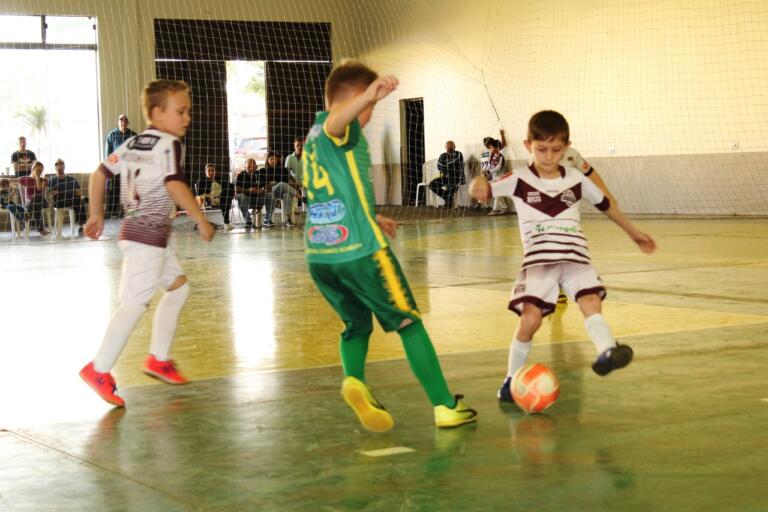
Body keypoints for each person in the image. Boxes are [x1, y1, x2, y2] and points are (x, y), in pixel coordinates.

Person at [303, 61, 477, 431]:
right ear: (355, 99)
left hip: (321, 255)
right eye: (369, 107)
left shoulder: (312, 137)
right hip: (361, 253)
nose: (369, 114)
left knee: (356, 325)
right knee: (408, 321)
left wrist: (371, 214)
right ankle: (445, 405)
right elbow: (339, 119)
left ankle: (355, 381)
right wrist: (368, 95)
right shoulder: (338, 126)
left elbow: (335, 191)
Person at [468, 110, 656, 403]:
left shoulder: (576, 179)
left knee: (590, 301)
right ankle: (510, 380)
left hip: (575, 256)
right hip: (540, 260)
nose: (548, 156)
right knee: (531, 320)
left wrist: (633, 232)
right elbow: (482, 190)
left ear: (567, 147)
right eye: (542, 149)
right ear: (528, 145)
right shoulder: (519, 179)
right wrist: (478, 183)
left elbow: (607, 205)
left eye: (556, 150)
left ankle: (607, 351)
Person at [79, 80, 214, 407]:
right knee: (134, 304)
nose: (187, 118)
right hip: (147, 238)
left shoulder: (133, 143)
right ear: (157, 113)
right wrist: (201, 219)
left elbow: (98, 175)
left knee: (178, 288)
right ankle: (98, 369)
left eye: (188, 111)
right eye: (181, 111)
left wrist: (96, 213)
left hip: (147, 236)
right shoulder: (169, 144)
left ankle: (158, 358)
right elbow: (174, 185)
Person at [104, 114, 138, 218]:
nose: (123, 122)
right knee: (113, 188)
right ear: (118, 122)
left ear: (128, 122)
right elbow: (108, 153)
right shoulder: (112, 135)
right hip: (115, 166)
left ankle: (126, 211)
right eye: (121, 120)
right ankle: (112, 212)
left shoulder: (133, 135)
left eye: (125, 120)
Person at [47, 158, 87, 236]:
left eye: (61, 164)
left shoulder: (72, 179)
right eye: (57, 165)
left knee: (79, 201)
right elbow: (53, 194)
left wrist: (62, 192)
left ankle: (81, 227)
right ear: (55, 168)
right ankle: (83, 198)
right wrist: (68, 192)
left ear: (64, 166)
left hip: (71, 199)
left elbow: (78, 192)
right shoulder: (51, 180)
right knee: (78, 199)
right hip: (59, 201)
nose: (59, 166)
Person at [235, 157, 273, 230]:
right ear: (245, 167)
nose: (251, 169)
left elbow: (269, 188)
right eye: (249, 167)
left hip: (259, 198)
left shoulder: (260, 174)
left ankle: (267, 219)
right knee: (240, 196)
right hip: (247, 200)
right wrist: (248, 190)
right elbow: (237, 190)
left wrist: (262, 190)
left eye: (253, 167)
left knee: (270, 195)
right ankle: (248, 220)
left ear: (256, 167)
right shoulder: (241, 175)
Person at [480, 133, 513, 215]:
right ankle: (505, 207)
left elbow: (498, 167)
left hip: (501, 177)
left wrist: (488, 171)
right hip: (494, 177)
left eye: (490, 147)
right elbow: (490, 166)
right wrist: (485, 171)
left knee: (496, 192)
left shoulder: (500, 156)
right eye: (489, 148)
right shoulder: (492, 156)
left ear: (495, 147)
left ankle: (495, 209)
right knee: (496, 192)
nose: (489, 150)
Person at [195, 163, 233, 230]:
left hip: (220, 198)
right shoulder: (202, 180)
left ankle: (226, 223)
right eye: (209, 171)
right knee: (224, 200)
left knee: (228, 192)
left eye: (212, 170)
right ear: (205, 172)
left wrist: (219, 196)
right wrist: (210, 196)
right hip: (208, 200)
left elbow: (226, 189)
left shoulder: (220, 179)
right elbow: (199, 194)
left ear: (215, 171)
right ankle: (226, 223)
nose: (211, 172)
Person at [264, 151, 297, 227]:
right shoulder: (264, 170)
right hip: (271, 192)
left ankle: (288, 219)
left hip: (282, 191)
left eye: (275, 159)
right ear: (267, 160)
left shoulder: (283, 170)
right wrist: (276, 184)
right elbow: (266, 185)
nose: (273, 161)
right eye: (271, 159)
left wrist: (275, 183)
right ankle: (301, 197)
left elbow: (286, 183)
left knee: (287, 195)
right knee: (281, 184)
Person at [428, 140, 464, 208]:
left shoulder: (459, 154)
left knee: (451, 184)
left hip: (456, 178)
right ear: (445, 147)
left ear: (455, 147)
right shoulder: (442, 156)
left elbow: (454, 163)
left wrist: (445, 166)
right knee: (432, 185)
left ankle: (448, 203)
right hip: (445, 177)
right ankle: (448, 198)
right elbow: (439, 166)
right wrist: (448, 167)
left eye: (451, 146)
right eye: (448, 146)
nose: (450, 147)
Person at [18, 161, 50, 236]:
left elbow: (39, 188)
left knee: (37, 197)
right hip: (30, 203)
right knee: (36, 204)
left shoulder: (44, 180)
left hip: (43, 202)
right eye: (38, 170)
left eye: (41, 170)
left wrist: (37, 177)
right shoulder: (26, 179)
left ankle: (26, 218)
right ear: (33, 169)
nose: (40, 172)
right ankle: (41, 230)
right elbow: (14, 181)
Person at [284, 136, 305, 213]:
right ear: (294, 146)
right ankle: (294, 208)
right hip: (293, 181)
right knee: (289, 185)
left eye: (301, 145)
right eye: (297, 145)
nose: (300, 147)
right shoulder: (289, 157)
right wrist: (295, 182)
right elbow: (287, 173)